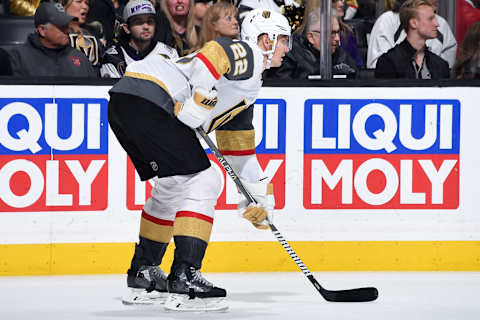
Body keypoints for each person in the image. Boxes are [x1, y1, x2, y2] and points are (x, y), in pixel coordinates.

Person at [108, 8, 290, 311]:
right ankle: (185, 280)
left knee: (171, 186)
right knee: (205, 179)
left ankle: (144, 275)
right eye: (283, 39)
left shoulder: (247, 88)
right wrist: (199, 97)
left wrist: (259, 196)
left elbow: (239, 151)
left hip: (127, 99)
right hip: (155, 96)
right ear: (265, 40)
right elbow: (216, 52)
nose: (286, 48)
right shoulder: (249, 55)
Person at [265, 9, 357, 80]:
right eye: (331, 33)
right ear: (311, 37)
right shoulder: (289, 56)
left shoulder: (342, 56)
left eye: (338, 32)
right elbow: (280, 89)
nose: (337, 38)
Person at [9, 2, 96, 77]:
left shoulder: (80, 58)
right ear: (42, 30)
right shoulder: (18, 58)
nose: (68, 31)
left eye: (67, 25)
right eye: (61, 26)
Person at [367, 0, 456, 69]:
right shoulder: (387, 21)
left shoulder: (441, 24)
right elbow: (376, 68)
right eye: (430, 19)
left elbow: (447, 73)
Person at [100, 0, 178, 78]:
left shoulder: (169, 54)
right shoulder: (112, 57)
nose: (146, 27)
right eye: (139, 22)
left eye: (150, 21)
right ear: (126, 28)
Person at [61, 0, 104, 74]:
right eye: (79, 1)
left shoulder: (94, 33)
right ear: (64, 4)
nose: (85, 7)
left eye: (86, 3)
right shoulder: (55, 31)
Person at [332, 0, 362, 67]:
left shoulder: (347, 34)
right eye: (334, 1)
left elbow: (357, 67)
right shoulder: (308, 36)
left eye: (342, 0)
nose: (341, 4)